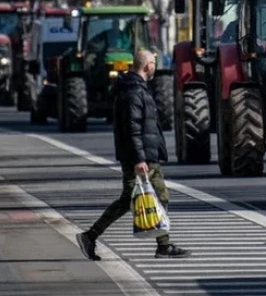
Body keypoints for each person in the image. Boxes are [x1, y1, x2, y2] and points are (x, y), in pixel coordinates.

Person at [76, 50, 190, 260]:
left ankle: (161, 245)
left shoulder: (135, 89)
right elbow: (133, 128)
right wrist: (139, 159)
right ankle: (91, 236)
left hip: (143, 154)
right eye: (153, 63)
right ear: (147, 66)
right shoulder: (133, 92)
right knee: (155, 196)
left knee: (139, 197)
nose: (155, 66)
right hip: (139, 156)